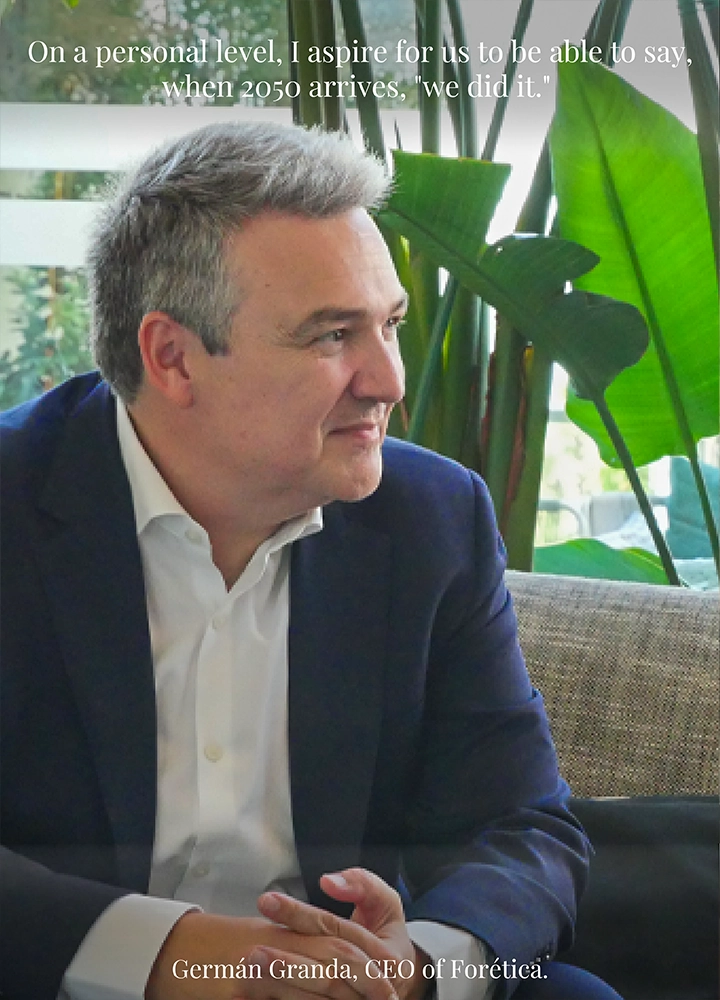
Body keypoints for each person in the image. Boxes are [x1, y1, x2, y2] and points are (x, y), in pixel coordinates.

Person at [0, 122, 622, 1000]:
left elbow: (522, 826)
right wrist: (183, 956)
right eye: (333, 336)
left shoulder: (431, 518)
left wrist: (412, 968)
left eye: (390, 325)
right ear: (171, 356)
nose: (388, 380)